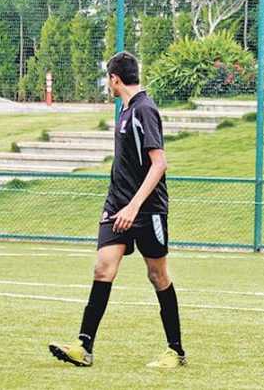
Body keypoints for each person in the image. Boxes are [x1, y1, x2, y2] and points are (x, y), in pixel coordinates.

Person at [48, 52, 185, 368]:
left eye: (107, 79)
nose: (107, 83)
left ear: (115, 79)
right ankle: (84, 346)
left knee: (157, 275)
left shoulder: (144, 110)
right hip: (117, 207)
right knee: (103, 268)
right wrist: (120, 206)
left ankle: (176, 350)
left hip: (147, 209)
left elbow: (159, 163)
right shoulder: (124, 112)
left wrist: (134, 206)